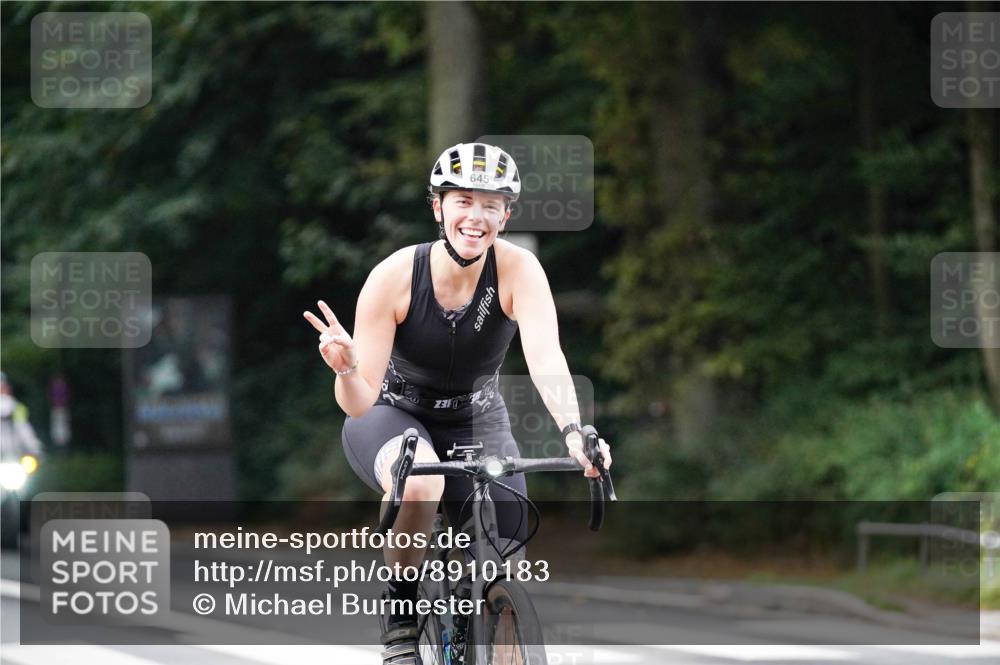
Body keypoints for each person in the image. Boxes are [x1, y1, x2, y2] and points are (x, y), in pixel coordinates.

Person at [304, 142, 612, 665]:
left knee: (507, 558)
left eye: (491, 205)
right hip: (392, 413)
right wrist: (347, 368)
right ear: (437, 207)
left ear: (506, 215)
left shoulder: (519, 271)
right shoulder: (396, 276)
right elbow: (357, 404)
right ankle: (401, 621)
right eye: (463, 200)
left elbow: (546, 357)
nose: (476, 216)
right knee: (425, 481)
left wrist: (575, 432)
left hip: (477, 415)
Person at [0, 372, 44, 462]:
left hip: (15, 458)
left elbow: (25, 430)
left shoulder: (16, 408)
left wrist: (35, 449)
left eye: (2, 388)